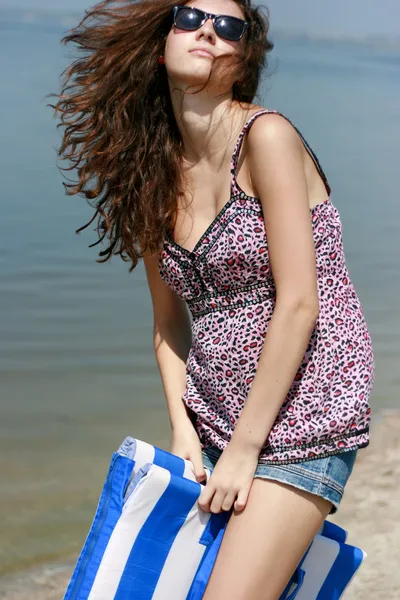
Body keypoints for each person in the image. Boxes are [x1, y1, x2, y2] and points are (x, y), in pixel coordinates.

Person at [51, 0, 375, 598]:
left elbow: (301, 302)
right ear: (159, 45)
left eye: (229, 26)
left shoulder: (266, 138)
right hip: (215, 419)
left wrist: (246, 450)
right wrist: (185, 434)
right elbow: (168, 324)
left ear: (241, 57)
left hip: (305, 416)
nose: (208, 30)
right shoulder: (148, 172)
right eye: (189, 16)